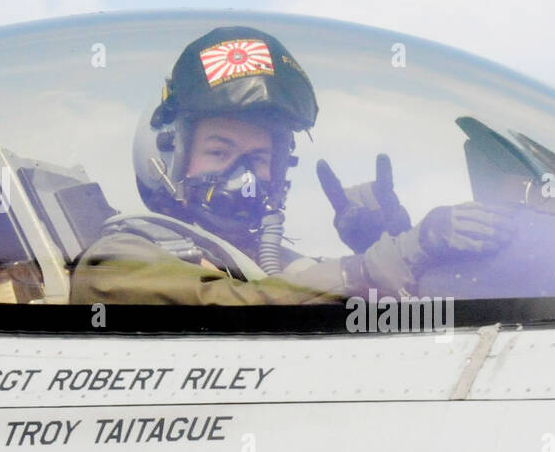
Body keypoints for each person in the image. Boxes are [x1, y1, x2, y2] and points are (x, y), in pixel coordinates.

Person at [69, 25, 514, 305]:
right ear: (165, 158)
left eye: (259, 158)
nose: (243, 176)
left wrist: (382, 243)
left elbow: (310, 294)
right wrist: (371, 267)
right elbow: (242, 310)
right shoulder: (117, 262)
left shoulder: (264, 261)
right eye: (220, 153)